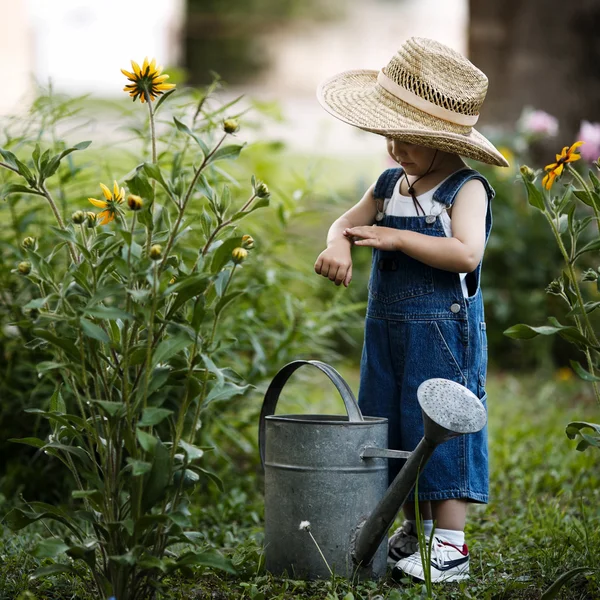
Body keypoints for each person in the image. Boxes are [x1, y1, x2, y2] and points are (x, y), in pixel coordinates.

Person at [314, 37, 509, 583]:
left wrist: (398, 240)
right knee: (393, 425)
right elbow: (346, 223)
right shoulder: (388, 184)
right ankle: (414, 532)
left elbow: (465, 253)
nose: (396, 148)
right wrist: (338, 243)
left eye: (408, 139)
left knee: (443, 431)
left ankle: (451, 546)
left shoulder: (464, 189)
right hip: (388, 334)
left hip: (444, 335)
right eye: (390, 136)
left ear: (443, 141)